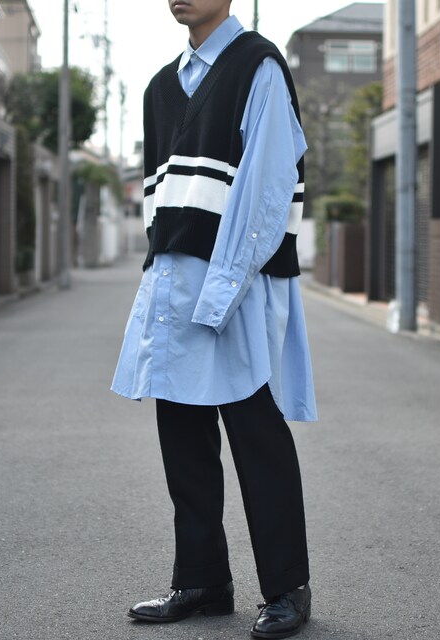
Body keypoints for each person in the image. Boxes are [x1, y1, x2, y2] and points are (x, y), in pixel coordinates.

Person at [111, 1, 317, 637]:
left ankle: (287, 587)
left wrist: (222, 289)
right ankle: (201, 579)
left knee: (257, 435)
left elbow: (267, 188)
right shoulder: (159, 88)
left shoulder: (257, 66)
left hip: (237, 284)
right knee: (182, 436)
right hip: (173, 284)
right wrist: (158, 284)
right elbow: (161, 198)